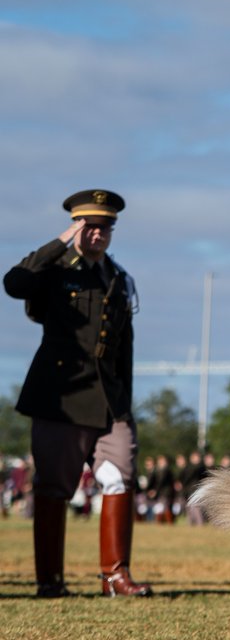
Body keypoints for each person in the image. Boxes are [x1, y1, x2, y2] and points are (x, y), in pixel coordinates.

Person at [3, 190, 152, 598]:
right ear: (76, 227)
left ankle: (115, 577)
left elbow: (123, 346)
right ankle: (49, 579)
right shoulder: (54, 270)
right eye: (89, 226)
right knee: (54, 486)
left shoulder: (118, 278)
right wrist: (60, 242)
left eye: (105, 227)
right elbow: (15, 283)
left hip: (109, 398)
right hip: (62, 396)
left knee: (120, 476)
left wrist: (125, 400)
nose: (97, 234)